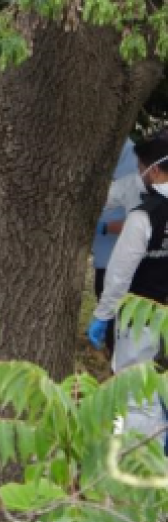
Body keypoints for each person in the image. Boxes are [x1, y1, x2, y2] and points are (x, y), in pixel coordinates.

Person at [88, 132, 168, 442]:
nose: (139, 175)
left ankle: (139, 456)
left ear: (155, 171)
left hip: (140, 313)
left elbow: (120, 273)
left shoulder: (144, 217)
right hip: (162, 304)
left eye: (141, 168)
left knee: (135, 383)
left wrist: (103, 313)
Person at [93, 140, 142, 353]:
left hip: (124, 260)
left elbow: (141, 223)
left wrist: (104, 227)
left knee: (130, 332)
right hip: (105, 259)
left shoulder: (129, 155)